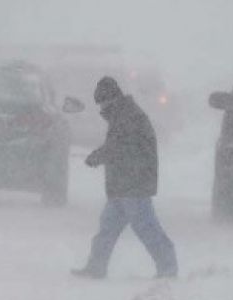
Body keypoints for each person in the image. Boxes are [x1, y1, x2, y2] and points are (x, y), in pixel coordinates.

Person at [72, 77, 178, 280]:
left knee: (146, 226)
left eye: (102, 103)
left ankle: (168, 267)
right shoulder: (123, 114)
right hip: (123, 184)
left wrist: (97, 157)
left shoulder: (127, 116)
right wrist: (100, 156)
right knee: (107, 227)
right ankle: (96, 267)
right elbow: (119, 147)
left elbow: (119, 148)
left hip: (134, 183)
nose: (101, 108)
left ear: (111, 98)